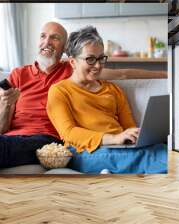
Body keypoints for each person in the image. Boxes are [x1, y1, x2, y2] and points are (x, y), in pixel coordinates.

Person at [0, 22, 166, 173]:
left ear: (65, 51)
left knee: (160, 151)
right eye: (43, 36)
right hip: (30, 139)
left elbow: (123, 75)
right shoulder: (26, 76)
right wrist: (5, 103)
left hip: (47, 139)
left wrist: (170, 72)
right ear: (74, 61)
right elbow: (1, 128)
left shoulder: (81, 74)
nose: (47, 41)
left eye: (55, 37)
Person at [46, 26, 167, 174]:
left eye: (101, 58)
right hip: (83, 152)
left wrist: (134, 136)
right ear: (73, 62)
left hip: (119, 147)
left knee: (163, 150)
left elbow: (129, 126)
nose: (98, 66)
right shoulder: (59, 91)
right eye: (90, 59)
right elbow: (69, 133)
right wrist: (113, 138)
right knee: (154, 157)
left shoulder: (114, 90)